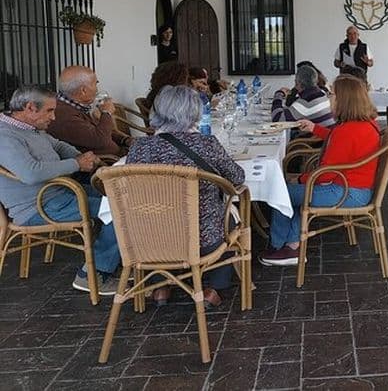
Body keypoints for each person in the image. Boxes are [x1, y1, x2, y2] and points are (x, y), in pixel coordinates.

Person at [126, 86, 245, 307]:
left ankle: (160, 285)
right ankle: (213, 288)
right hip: (202, 239)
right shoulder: (206, 144)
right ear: (195, 112)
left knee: (158, 216)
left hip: (148, 239)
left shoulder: (139, 148)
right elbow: (237, 178)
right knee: (229, 218)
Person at [0, 86, 120, 295]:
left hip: (60, 194)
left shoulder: (28, 128)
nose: (54, 117)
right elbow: (31, 173)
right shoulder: (6, 137)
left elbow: (58, 145)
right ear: (30, 108)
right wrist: (76, 164)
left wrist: (85, 158)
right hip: (39, 207)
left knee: (120, 196)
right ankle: (93, 274)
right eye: (49, 111)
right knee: (122, 210)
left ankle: (115, 261)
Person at [259, 75, 381, 266]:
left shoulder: (346, 131)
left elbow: (326, 174)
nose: (329, 98)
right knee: (296, 194)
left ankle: (278, 245)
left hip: (345, 193)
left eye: (332, 95)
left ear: (344, 100)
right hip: (358, 189)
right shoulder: (365, 124)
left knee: (282, 192)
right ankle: (291, 245)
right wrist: (316, 128)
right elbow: (341, 141)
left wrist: (299, 179)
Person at [48, 66, 133, 156]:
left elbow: (99, 131)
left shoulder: (75, 106)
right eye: (95, 84)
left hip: (122, 153)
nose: (97, 89)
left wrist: (125, 140)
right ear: (83, 90)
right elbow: (100, 140)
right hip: (112, 164)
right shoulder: (63, 115)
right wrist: (106, 113)